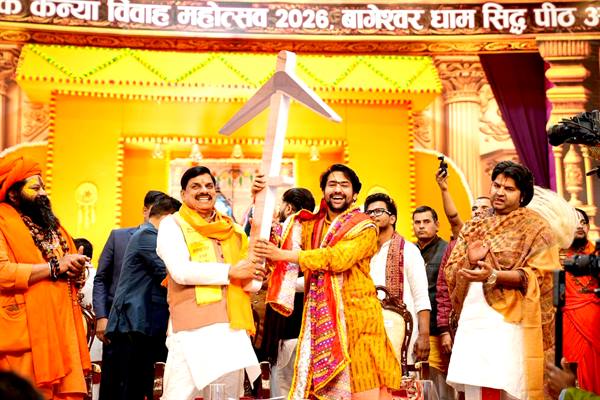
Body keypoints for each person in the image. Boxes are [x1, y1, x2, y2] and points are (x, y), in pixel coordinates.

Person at [255, 163, 401, 400]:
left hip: (359, 321)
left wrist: (284, 255)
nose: (338, 190)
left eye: (344, 185)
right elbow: (276, 240)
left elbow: (337, 258)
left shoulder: (365, 227)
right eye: (332, 184)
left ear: (355, 194)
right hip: (323, 323)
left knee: (363, 385)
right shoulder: (311, 226)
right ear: (323, 191)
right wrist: (260, 197)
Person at [444, 160, 560, 400]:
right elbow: (451, 270)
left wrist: (495, 276)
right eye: (496, 185)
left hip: (510, 322)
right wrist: (469, 260)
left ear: (522, 195)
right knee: (476, 385)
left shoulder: (537, 228)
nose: (499, 192)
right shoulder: (474, 226)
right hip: (474, 317)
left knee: (508, 384)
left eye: (509, 189)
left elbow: (542, 275)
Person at [156, 166, 265, 400]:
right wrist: (231, 271)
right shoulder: (172, 225)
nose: (203, 191)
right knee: (178, 395)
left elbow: (250, 281)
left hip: (231, 327)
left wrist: (256, 274)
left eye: (208, 186)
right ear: (183, 194)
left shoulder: (232, 229)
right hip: (190, 329)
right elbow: (181, 271)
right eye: (195, 186)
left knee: (225, 396)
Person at [0, 156, 91, 399]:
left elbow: (66, 267)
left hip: (62, 330)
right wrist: (55, 267)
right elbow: (3, 272)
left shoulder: (52, 226)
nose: (43, 193)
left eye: (43, 187)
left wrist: (75, 270)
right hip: (26, 332)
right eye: (35, 188)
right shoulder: (2, 222)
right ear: (14, 195)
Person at [104, 196, 181, 400]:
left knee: (140, 383)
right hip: (133, 322)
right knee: (131, 387)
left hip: (143, 322)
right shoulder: (148, 236)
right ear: (168, 219)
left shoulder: (149, 235)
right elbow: (170, 274)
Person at [93, 190, 165, 400]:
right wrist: (102, 317)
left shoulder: (170, 240)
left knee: (149, 383)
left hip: (154, 322)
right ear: (145, 211)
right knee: (116, 384)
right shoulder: (119, 236)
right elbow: (101, 278)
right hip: (119, 321)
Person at [259, 187, 315, 397]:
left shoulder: (279, 232)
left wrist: (277, 284)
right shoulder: (317, 233)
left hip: (285, 317)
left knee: (282, 379)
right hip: (308, 313)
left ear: (289, 208)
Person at [364, 192, 431, 364]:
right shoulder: (363, 254)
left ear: (392, 218)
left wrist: (424, 335)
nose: (373, 215)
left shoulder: (408, 250)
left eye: (379, 211)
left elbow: (421, 297)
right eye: (369, 212)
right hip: (368, 332)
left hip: (403, 335)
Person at [412, 205, 452, 399]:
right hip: (414, 329)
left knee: (440, 388)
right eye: (417, 222)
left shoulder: (446, 250)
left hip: (437, 330)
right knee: (416, 385)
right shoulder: (409, 251)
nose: (421, 226)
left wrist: (445, 331)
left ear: (437, 225)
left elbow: (447, 293)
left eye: (426, 222)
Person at [562, 208, 600, 394]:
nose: (579, 226)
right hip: (569, 320)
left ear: (588, 227)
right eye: (575, 222)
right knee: (572, 368)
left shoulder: (597, 255)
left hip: (595, 319)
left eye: (583, 222)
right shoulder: (557, 257)